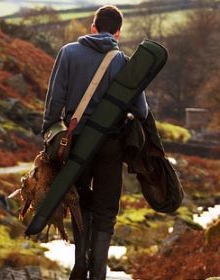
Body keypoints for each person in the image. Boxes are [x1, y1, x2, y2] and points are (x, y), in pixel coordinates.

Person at [41, 5, 148, 280]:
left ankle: (80, 263)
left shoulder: (67, 53)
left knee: (78, 200)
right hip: (110, 145)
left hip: (76, 143)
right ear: (118, 33)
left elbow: (54, 103)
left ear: (92, 28)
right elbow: (142, 111)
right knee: (106, 208)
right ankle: (98, 270)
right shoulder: (122, 61)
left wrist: (50, 136)